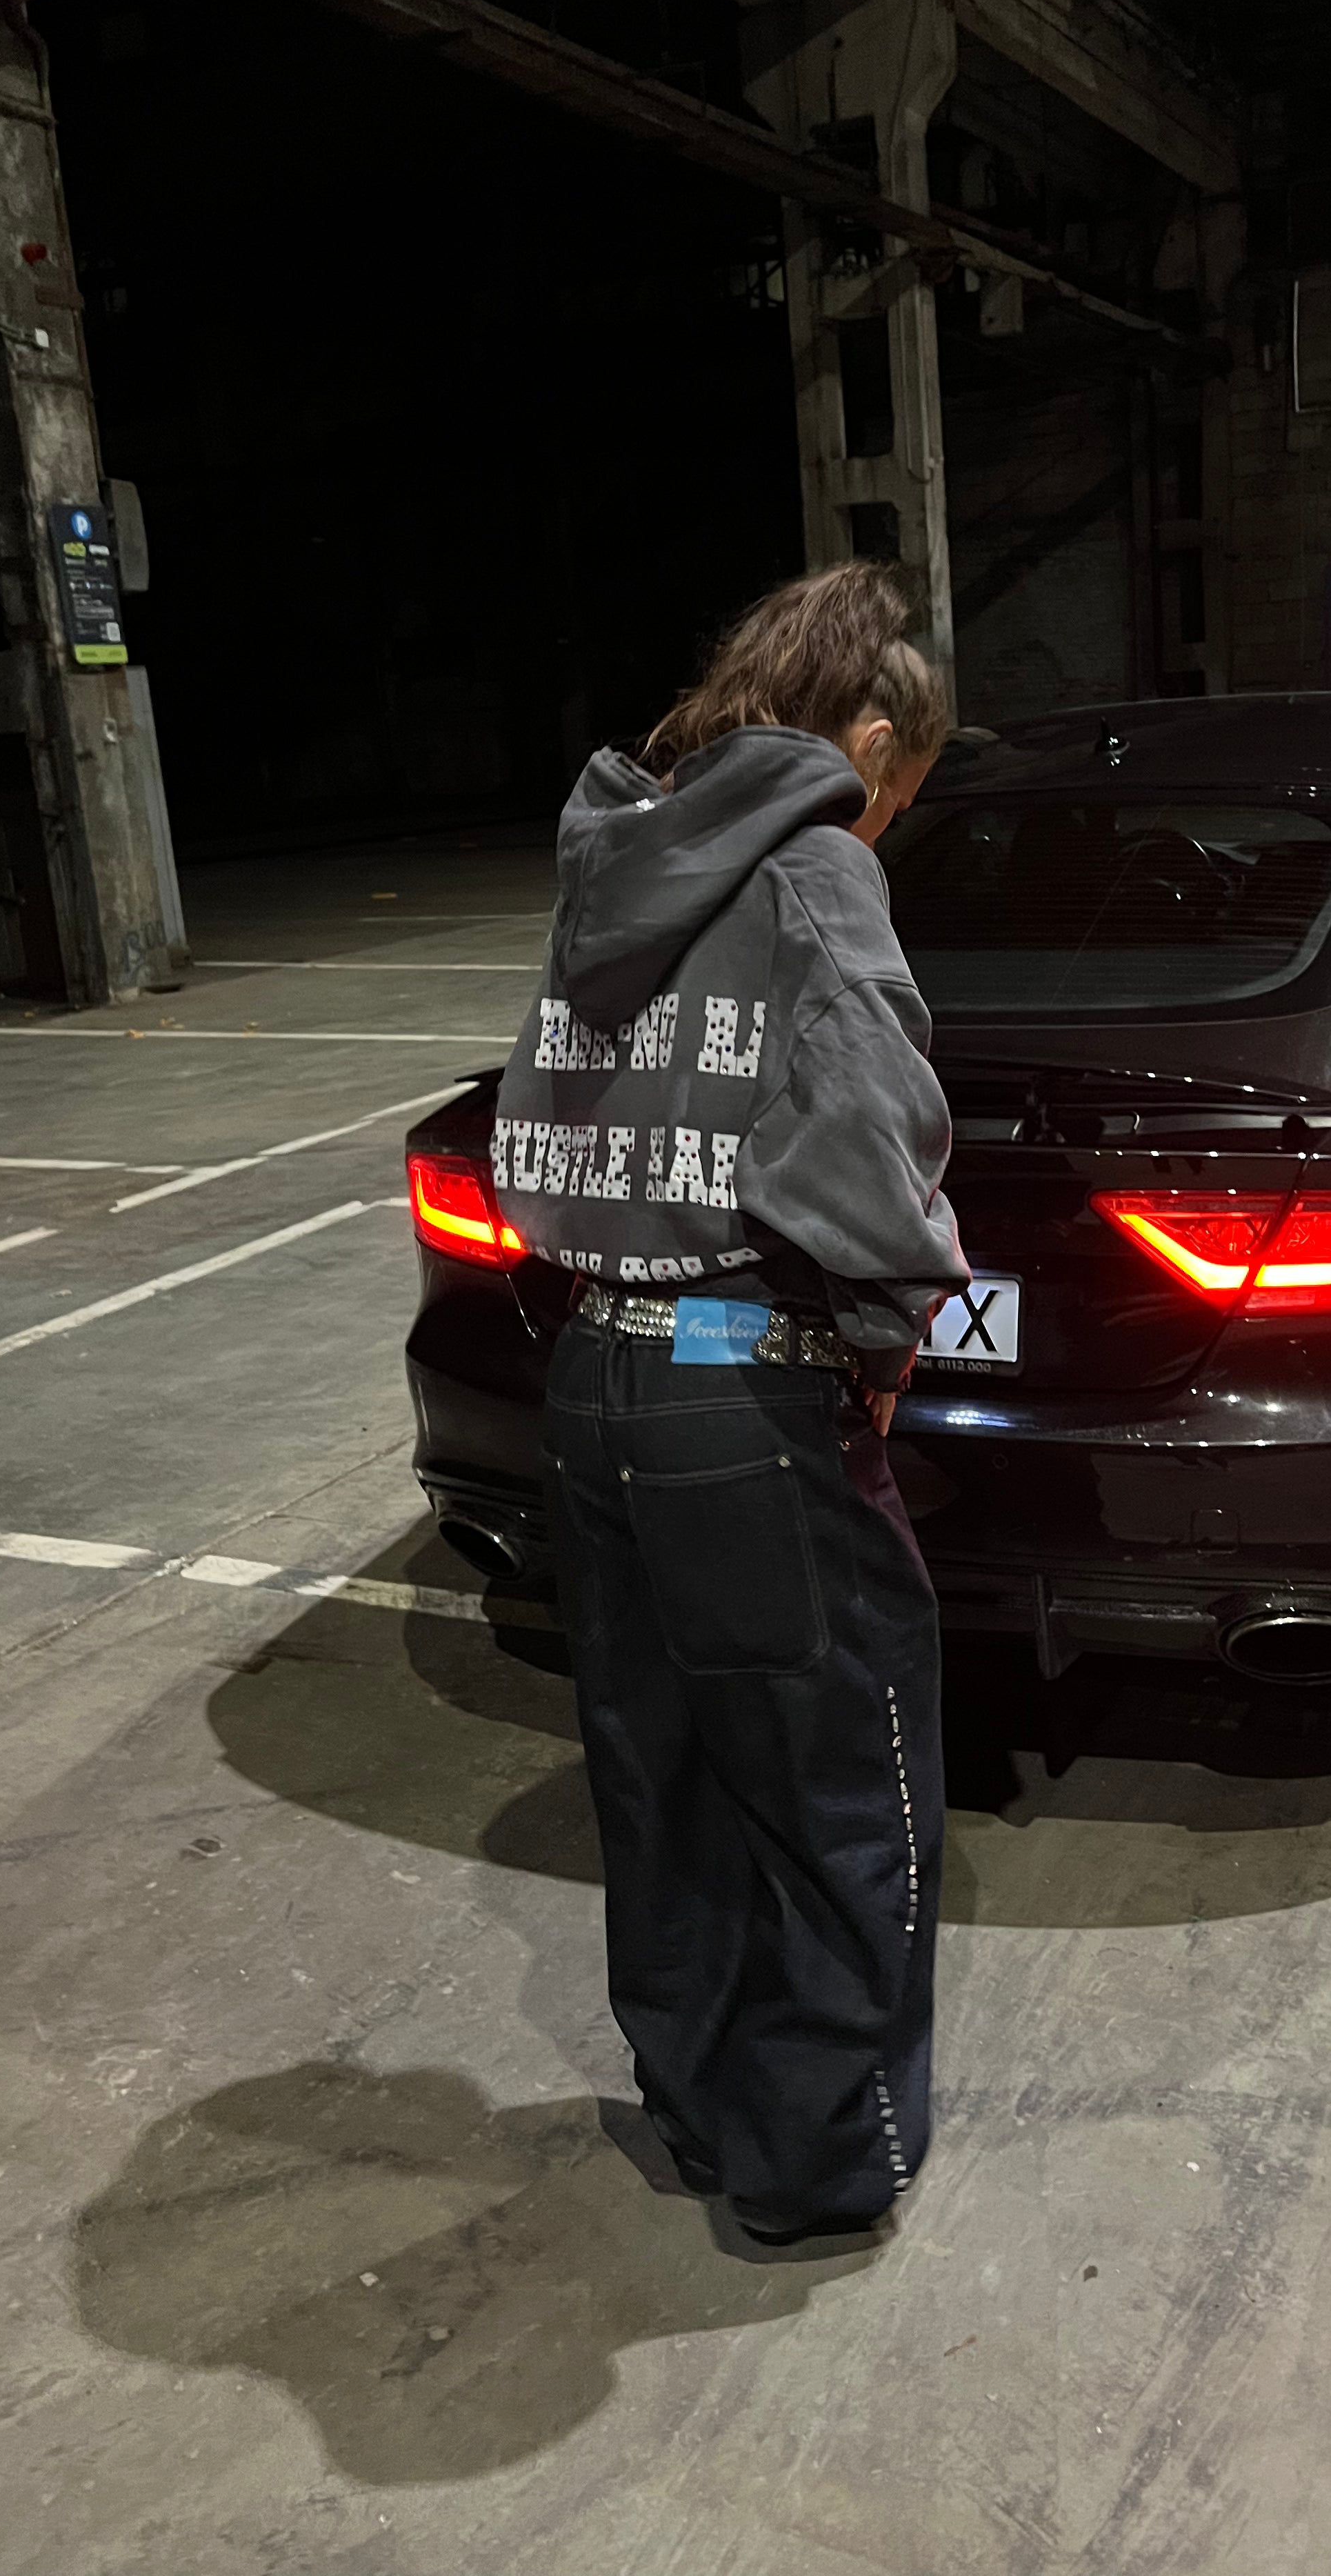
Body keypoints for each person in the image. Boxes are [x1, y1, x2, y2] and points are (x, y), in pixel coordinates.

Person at [492, 561, 965, 2244]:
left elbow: (557, 1114)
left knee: (663, 1780)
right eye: (903, 787)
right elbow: (867, 1136)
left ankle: (700, 2115)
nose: (888, 821)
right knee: (843, 1786)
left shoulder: (616, 849)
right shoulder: (817, 864)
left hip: (596, 1375)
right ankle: (818, 2169)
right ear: (869, 740)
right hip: (741, 1385)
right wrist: (892, 1330)